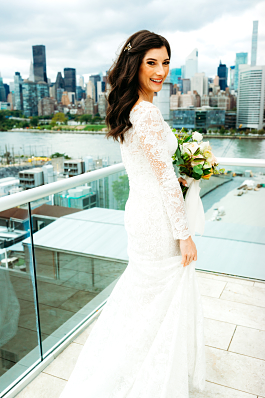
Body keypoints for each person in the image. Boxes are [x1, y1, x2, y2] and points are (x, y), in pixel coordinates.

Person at [59, 30, 205, 398]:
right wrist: (183, 233)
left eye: (166, 62)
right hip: (157, 221)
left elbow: (152, 169)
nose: (161, 71)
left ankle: (129, 367)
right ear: (134, 64)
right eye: (151, 62)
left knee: (143, 298)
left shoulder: (126, 109)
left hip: (139, 214)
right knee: (159, 300)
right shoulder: (148, 113)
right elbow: (167, 181)